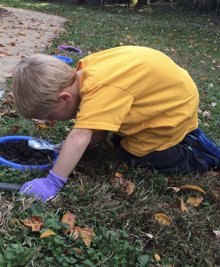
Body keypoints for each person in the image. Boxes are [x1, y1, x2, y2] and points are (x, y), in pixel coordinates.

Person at [12, 46, 220, 202]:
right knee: (116, 140)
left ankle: (200, 157)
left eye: (52, 116)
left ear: (65, 98)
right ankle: (186, 135)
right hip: (167, 94)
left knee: (132, 155)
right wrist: (68, 148)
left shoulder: (100, 89)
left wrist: (52, 182)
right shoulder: (86, 72)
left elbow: (81, 135)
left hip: (172, 109)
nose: (52, 121)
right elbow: (96, 129)